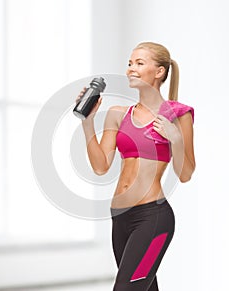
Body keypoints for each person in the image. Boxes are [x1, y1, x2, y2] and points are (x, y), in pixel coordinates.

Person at [76, 42, 195, 291]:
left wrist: (175, 138)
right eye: (130, 63)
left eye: (139, 63)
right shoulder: (118, 114)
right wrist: (88, 123)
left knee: (126, 288)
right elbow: (101, 166)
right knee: (143, 288)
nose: (131, 69)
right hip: (120, 217)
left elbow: (185, 174)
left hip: (153, 219)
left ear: (160, 71)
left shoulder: (177, 114)